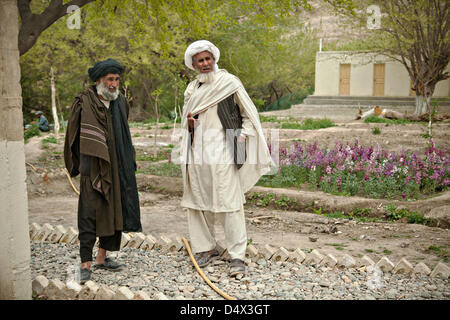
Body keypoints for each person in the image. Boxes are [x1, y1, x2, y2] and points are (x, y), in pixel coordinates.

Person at [179, 40, 273, 277]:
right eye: (200, 60)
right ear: (193, 64)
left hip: (224, 149)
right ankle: (205, 248)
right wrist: (190, 124)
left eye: (207, 59)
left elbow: (249, 114)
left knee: (229, 202)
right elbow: (185, 121)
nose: (205, 63)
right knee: (197, 200)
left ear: (214, 59)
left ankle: (237, 255)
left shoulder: (229, 83)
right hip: (198, 151)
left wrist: (243, 136)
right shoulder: (192, 90)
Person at [64, 58, 142, 284]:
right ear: (99, 80)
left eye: (117, 79)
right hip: (93, 165)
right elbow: (72, 135)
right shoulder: (83, 101)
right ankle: (85, 263)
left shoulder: (120, 102)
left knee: (115, 210)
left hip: (117, 164)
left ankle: (102, 257)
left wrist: (129, 158)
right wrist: (76, 163)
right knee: (89, 213)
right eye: (110, 79)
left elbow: (124, 132)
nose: (114, 84)